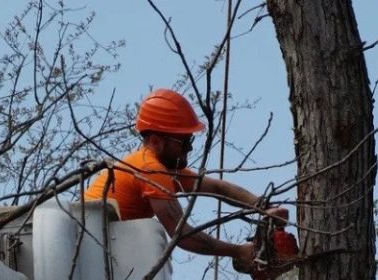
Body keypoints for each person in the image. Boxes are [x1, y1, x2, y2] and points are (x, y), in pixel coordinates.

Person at [84, 88, 288, 266]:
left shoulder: (159, 167)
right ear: (156, 141)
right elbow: (182, 235)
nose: (189, 147)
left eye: (190, 139)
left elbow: (217, 188)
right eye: (183, 140)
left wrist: (263, 207)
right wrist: (239, 251)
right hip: (89, 248)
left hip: (103, 247)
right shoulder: (151, 170)